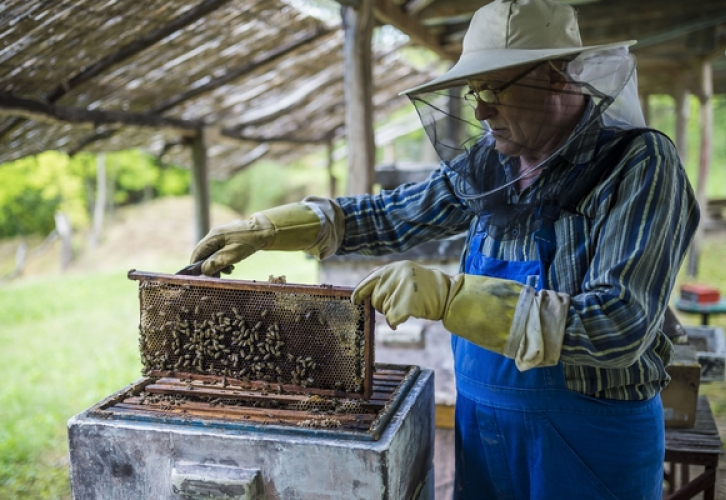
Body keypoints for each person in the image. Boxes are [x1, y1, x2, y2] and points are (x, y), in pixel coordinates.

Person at [190, 0, 699, 497]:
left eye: (496, 88)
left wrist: (453, 298)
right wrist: (276, 228)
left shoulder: (639, 163)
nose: (481, 109)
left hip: (591, 441)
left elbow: (619, 325)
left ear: (556, 76)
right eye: (476, 90)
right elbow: (397, 214)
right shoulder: (492, 161)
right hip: (483, 426)